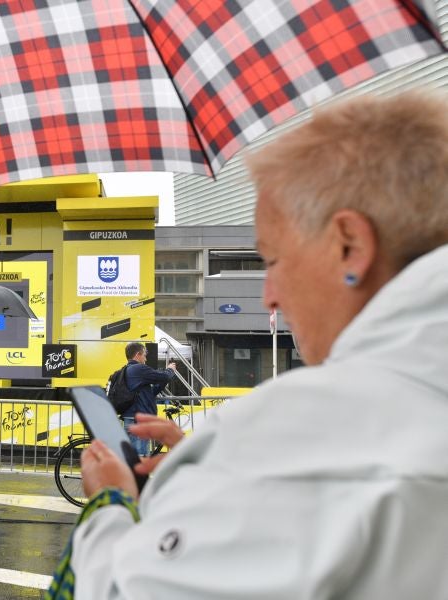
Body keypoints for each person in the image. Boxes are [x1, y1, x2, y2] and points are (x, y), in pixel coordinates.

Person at [46, 90, 448, 599]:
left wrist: (110, 504)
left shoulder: (288, 434)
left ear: (350, 245)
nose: (270, 294)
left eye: (272, 259)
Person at [118, 342, 176, 456]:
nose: (145, 359)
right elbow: (163, 376)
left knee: (136, 456)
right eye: (144, 355)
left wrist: (165, 379)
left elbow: (151, 392)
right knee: (141, 456)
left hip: (132, 417)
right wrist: (170, 370)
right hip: (138, 418)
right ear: (138, 354)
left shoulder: (128, 370)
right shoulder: (138, 369)